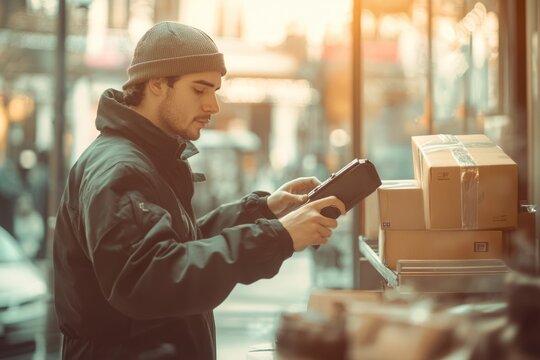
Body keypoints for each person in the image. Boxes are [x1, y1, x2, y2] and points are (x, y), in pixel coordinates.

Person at [53, 21, 345, 360]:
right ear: (158, 84)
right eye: (200, 90)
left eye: (215, 90)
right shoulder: (121, 169)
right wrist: (277, 237)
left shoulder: (147, 157)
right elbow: (150, 278)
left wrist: (262, 212)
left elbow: (178, 246)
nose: (213, 105)